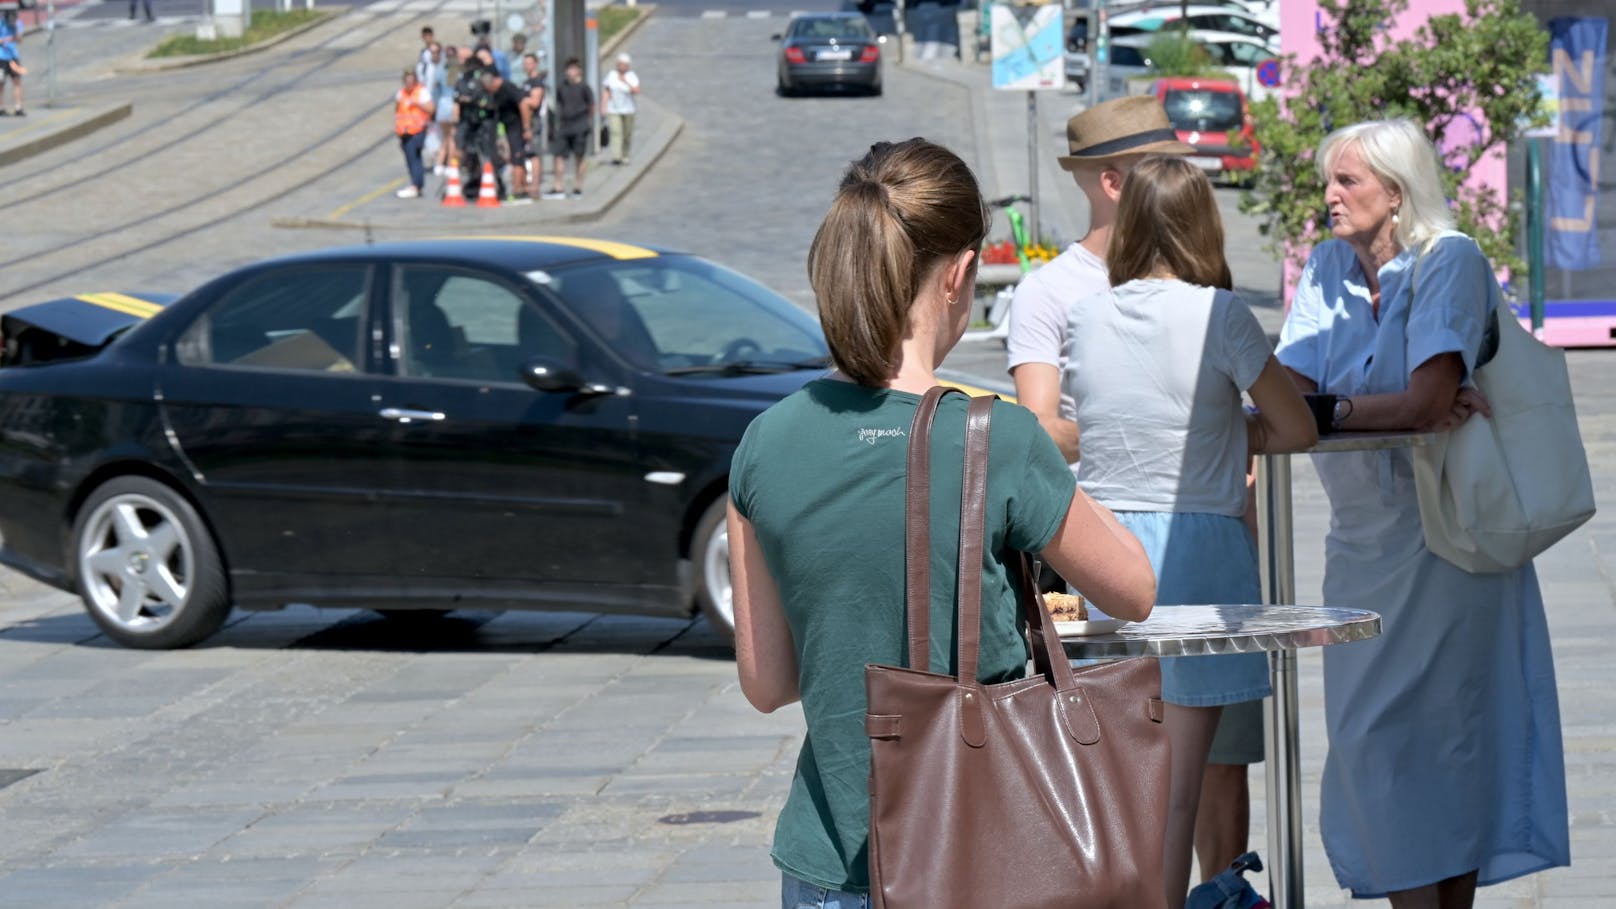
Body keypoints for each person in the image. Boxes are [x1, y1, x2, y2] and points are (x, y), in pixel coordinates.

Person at [729, 137, 1158, 907]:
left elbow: (766, 683)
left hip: (828, 864)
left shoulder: (765, 443)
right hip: (975, 858)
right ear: (961, 276)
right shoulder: (998, 438)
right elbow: (1133, 588)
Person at [1275, 118, 1569, 909]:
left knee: (1452, 746)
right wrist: (1371, 409)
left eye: (1348, 182)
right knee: (1372, 743)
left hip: (1452, 544)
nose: (1328, 196)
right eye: (1329, 180)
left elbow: (1427, 396)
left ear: (1397, 194)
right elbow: (1286, 394)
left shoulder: (1451, 259)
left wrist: (1333, 410)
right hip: (1364, 545)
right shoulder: (1327, 268)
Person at [1010, 94, 1266, 883]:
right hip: (1104, 548)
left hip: (1213, 543)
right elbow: (1035, 428)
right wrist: (1167, 432)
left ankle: (1218, 898)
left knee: (1222, 768)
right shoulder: (1052, 294)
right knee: (1123, 778)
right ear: (1118, 180)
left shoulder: (1198, 286)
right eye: (1171, 165)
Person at [1062, 154, 1317, 909]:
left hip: (1103, 549)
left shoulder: (1084, 316)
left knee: (1118, 795)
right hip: (1200, 552)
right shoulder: (1220, 315)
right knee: (1179, 795)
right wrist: (1229, 438)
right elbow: (1295, 426)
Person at [545, 58, 593, 199]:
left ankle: (578, 187)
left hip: (579, 125)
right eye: (568, 69)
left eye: (572, 69)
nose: (569, 72)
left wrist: (586, 122)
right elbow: (559, 104)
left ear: (578, 71)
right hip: (565, 126)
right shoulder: (562, 86)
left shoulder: (584, 87)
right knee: (558, 155)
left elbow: (591, 106)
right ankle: (558, 187)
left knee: (579, 156)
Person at [479, 66, 530, 199]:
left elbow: (523, 104)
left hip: (517, 126)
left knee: (517, 157)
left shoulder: (508, 88)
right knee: (513, 155)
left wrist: (526, 127)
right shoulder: (495, 93)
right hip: (506, 126)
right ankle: (525, 188)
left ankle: (517, 190)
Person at [393, 69, 435, 199]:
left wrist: (418, 104)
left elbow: (431, 109)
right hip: (404, 131)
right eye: (407, 80)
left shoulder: (421, 92)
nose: (409, 82)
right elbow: (398, 110)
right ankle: (417, 185)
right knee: (410, 159)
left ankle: (416, 186)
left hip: (417, 130)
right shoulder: (401, 94)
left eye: (411, 79)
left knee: (415, 158)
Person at [601, 52, 639, 165]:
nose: (622, 67)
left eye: (625, 65)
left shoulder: (631, 76)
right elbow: (607, 91)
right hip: (614, 109)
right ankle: (616, 157)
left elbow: (636, 90)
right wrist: (603, 105)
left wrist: (625, 81)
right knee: (616, 132)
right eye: (620, 64)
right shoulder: (611, 75)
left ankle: (625, 155)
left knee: (627, 134)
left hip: (629, 109)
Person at [518, 53, 548, 197]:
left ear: (535, 64)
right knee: (527, 152)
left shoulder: (537, 82)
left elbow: (535, 102)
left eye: (529, 63)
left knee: (534, 153)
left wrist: (523, 101)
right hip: (525, 120)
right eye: (525, 63)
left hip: (533, 121)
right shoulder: (526, 81)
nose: (526, 66)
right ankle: (527, 185)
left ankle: (535, 186)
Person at [0, 11, 23, 118]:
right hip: (1, 58)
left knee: (17, 81)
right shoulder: (1, 22)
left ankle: (18, 108)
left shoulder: (17, 23)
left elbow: (19, 40)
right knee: (1, 82)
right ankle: (1, 108)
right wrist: (5, 40)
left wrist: (15, 28)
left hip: (13, 57)